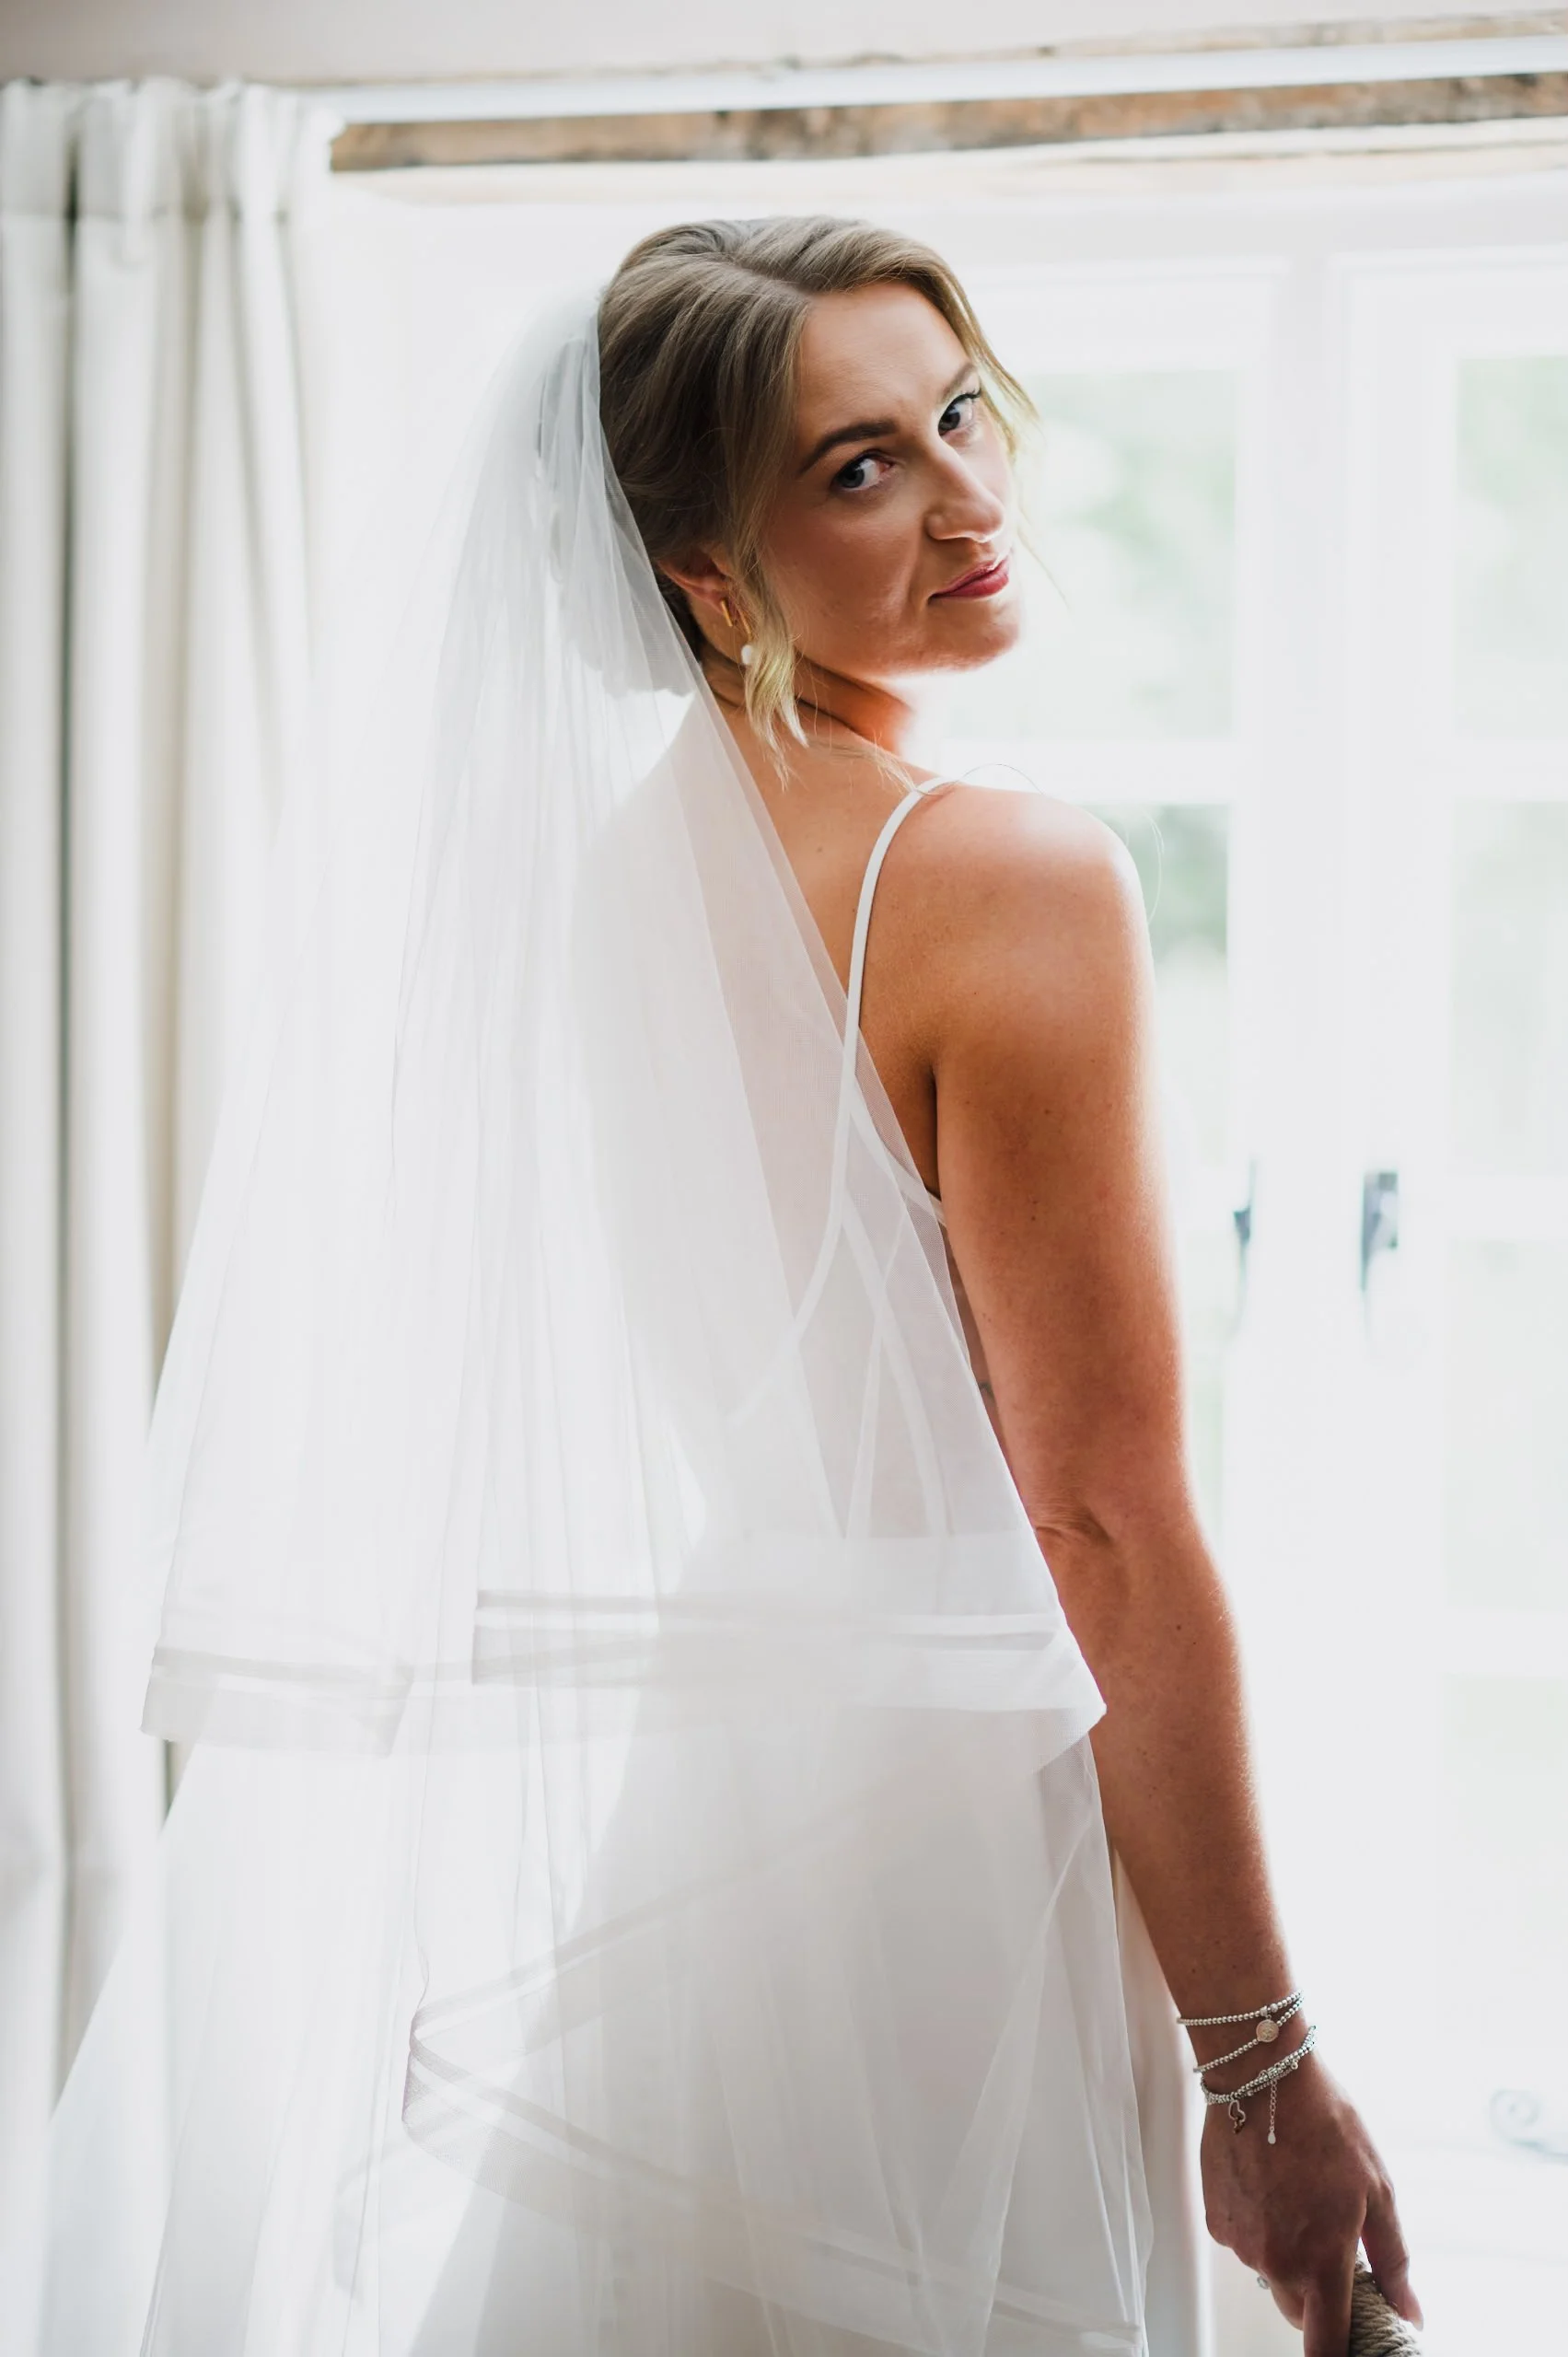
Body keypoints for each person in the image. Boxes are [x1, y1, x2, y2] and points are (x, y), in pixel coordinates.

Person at [36, 217, 1419, 2357]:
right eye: (856, 467)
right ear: (700, 571)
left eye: (958, 413)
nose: (966, 498)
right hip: (968, 1856)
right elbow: (1098, 1524)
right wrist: (1262, 2067)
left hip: (717, 1844)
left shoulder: (604, 887)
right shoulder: (1009, 878)